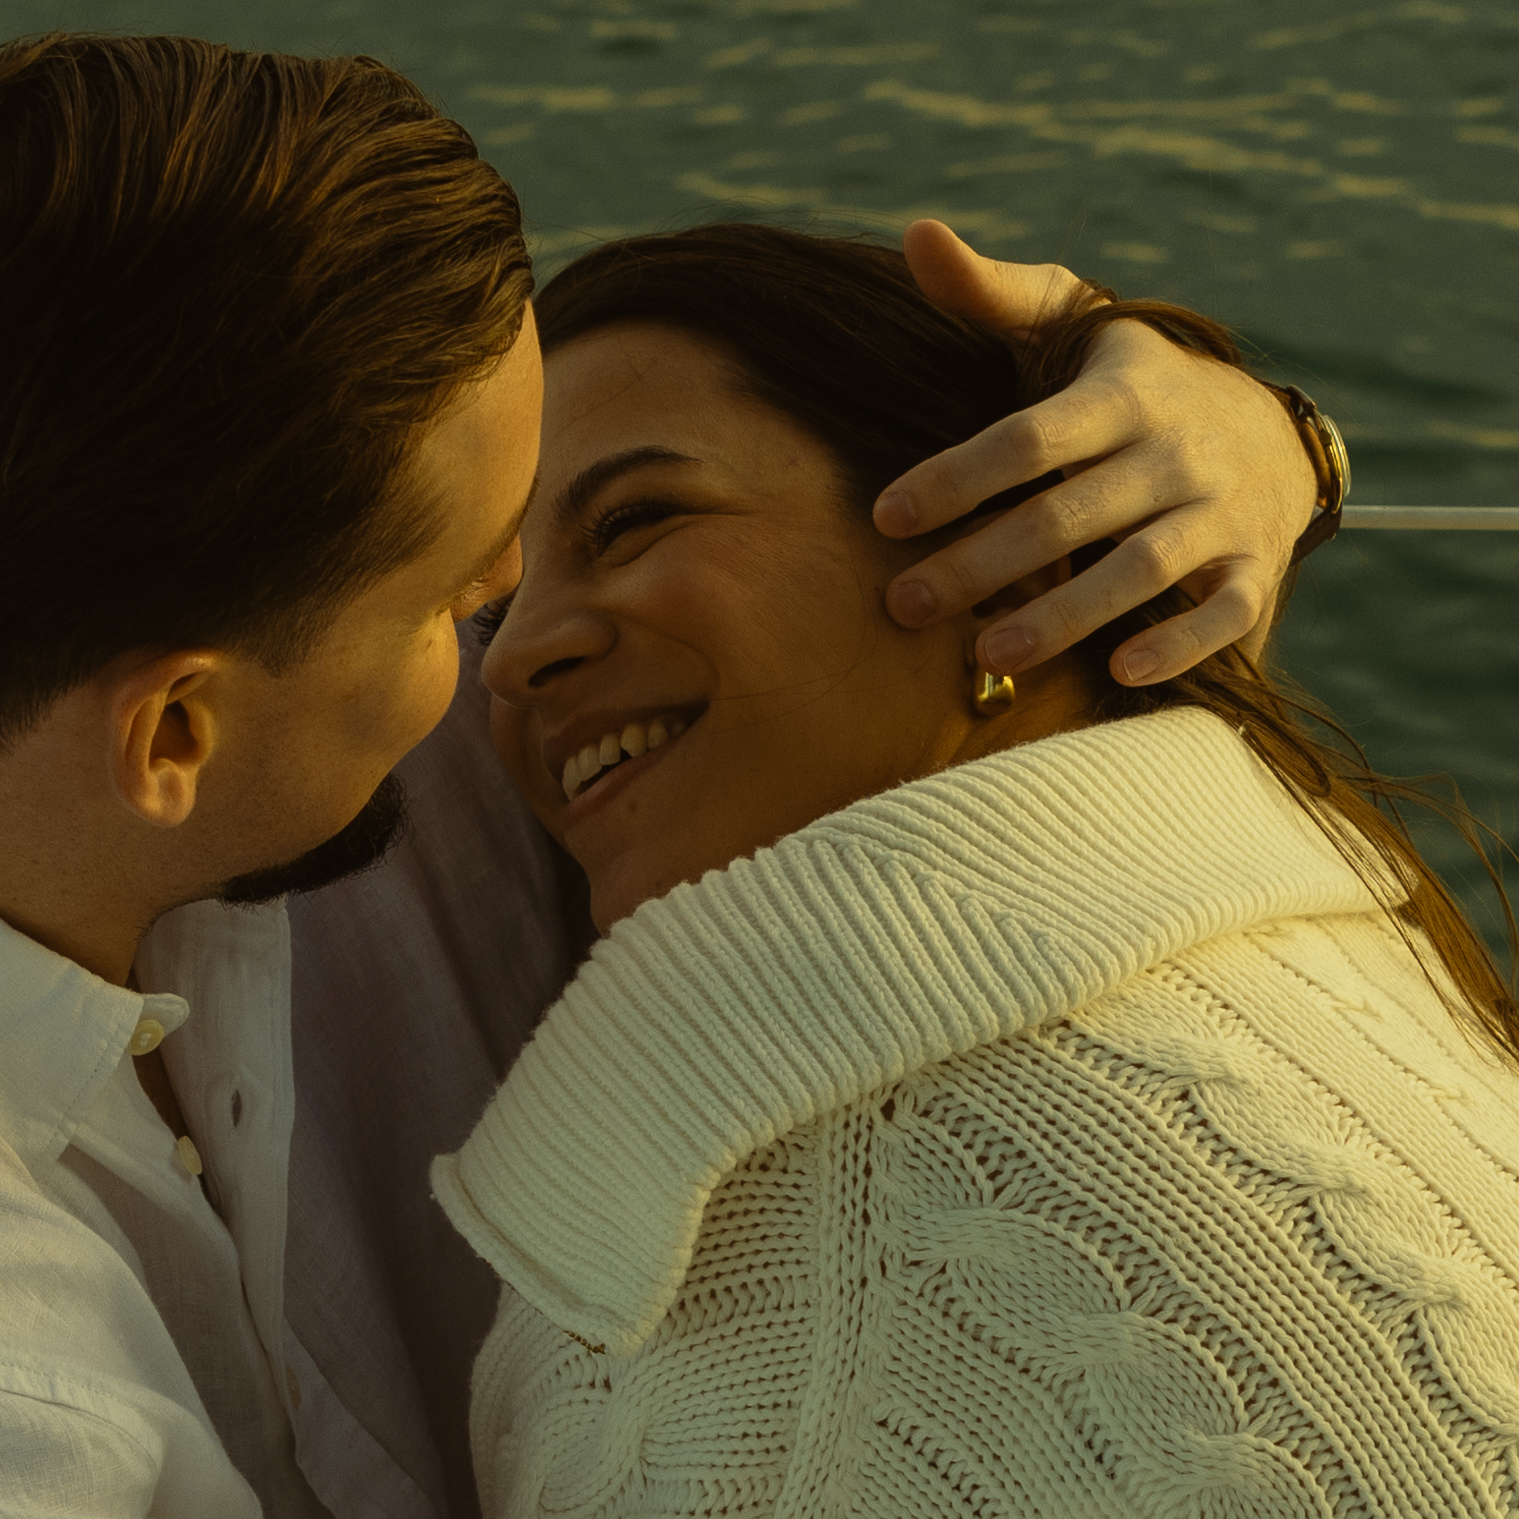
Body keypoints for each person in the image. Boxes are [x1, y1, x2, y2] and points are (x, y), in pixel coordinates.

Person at [0, 31, 1324, 1519]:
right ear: (175, 736)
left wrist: (1250, 436)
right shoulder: (43, 1411)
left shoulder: (283, 719)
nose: (513, 645)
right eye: (449, 600)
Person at [436, 224, 1519, 1516]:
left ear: (1038, 533)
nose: (507, 663)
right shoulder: (1332, 944)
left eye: (635, 519)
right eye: (486, 611)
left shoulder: (792, 1341)